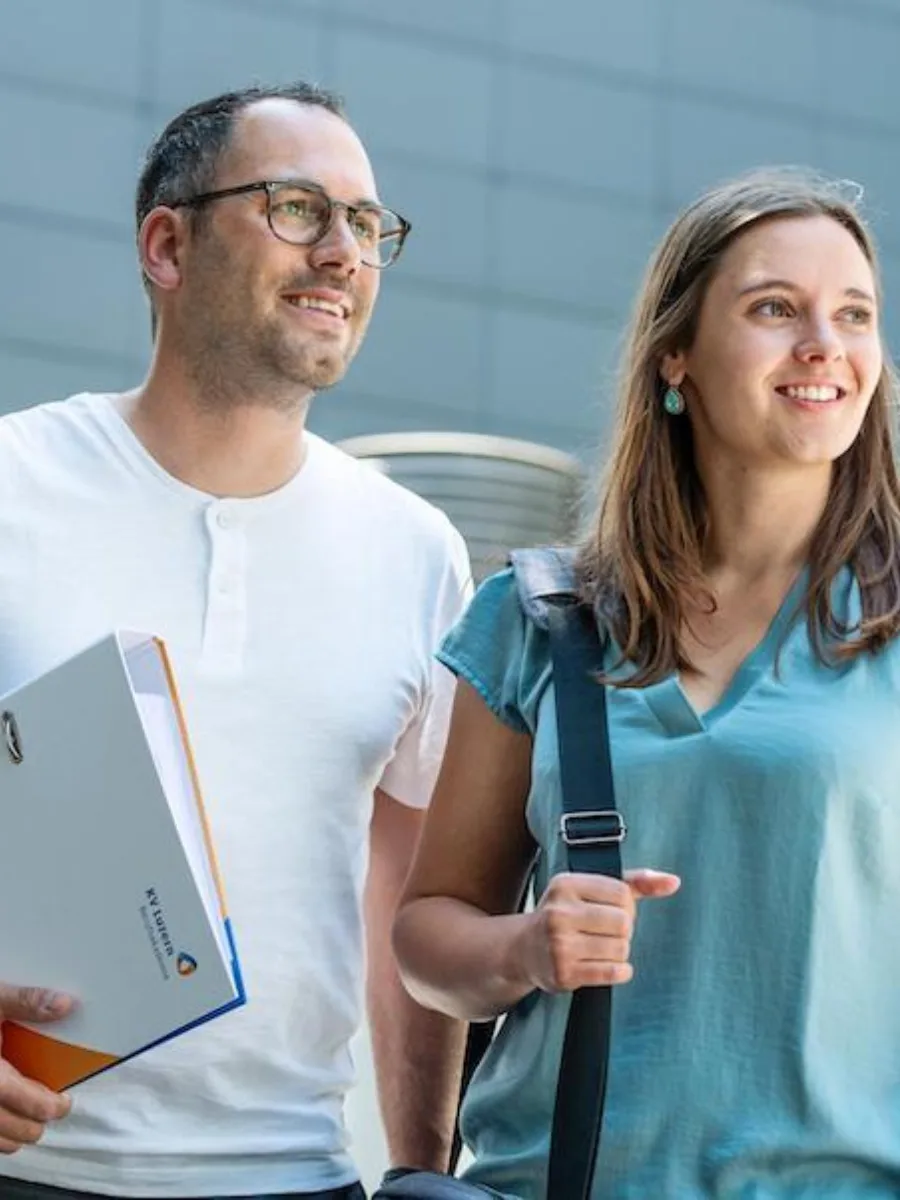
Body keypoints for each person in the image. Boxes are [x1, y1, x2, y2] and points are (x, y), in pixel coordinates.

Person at [0, 83, 471, 1199]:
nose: (344, 252)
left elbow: (405, 890)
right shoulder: (11, 488)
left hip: (295, 1173)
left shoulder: (417, 552)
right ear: (166, 244)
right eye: (298, 209)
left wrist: (417, 1168)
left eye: (366, 224)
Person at [392, 167, 900, 1198]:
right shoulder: (541, 618)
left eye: (855, 315)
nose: (824, 346)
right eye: (774, 308)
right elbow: (427, 935)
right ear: (677, 356)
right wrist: (528, 947)